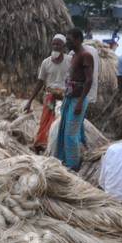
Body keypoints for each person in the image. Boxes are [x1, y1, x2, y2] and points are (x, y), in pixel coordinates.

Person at [52, 29, 94, 170]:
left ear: (78, 39)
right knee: (64, 130)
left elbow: (89, 80)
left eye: (69, 40)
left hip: (78, 99)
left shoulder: (85, 56)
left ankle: (73, 165)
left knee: (71, 134)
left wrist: (80, 102)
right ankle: (63, 160)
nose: (67, 43)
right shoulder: (74, 55)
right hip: (70, 98)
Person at [25, 35, 69, 153]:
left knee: (59, 122)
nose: (55, 46)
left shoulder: (69, 61)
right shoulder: (46, 62)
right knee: (45, 121)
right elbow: (40, 82)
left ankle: (57, 146)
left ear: (63, 46)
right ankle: (41, 144)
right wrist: (30, 101)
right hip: (50, 96)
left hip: (64, 96)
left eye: (58, 44)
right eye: (54, 44)